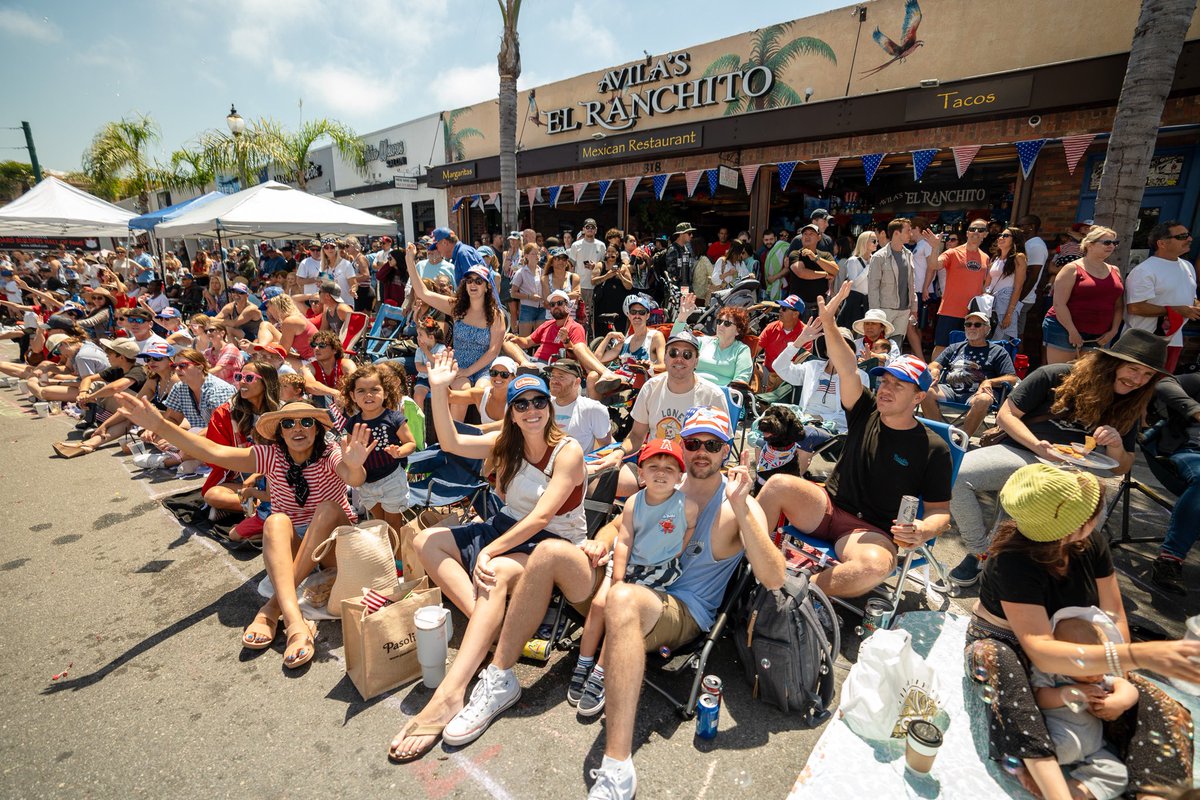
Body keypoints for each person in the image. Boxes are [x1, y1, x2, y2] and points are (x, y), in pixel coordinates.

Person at [403, 406, 784, 799]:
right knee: (550, 552)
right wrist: (598, 545)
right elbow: (618, 527)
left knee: (620, 598)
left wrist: (742, 505)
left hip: (678, 610)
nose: (702, 451)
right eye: (694, 442)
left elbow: (774, 578)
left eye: (713, 444)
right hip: (625, 583)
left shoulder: (738, 504)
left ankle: (618, 766)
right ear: (681, 446)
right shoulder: (666, 481)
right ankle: (500, 679)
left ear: (727, 451)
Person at [387, 357, 586, 762]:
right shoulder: (506, 444)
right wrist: (439, 389)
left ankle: (450, 693)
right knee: (427, 542)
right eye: (522, 404)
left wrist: (492, 549)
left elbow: (544, 516)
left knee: (492, 573)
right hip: (507, 525)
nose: (532, 410)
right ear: (511, 412)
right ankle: (488, 622)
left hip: (549, 540)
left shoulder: (568, 451)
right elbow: (451, 443)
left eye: (538, 402)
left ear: (549, 406)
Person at [964, 464, 1198, 800]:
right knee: (996, 662)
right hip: (1011, 646)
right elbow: (1040, 650)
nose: (1100, 511)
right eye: (1092, 507)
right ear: (1070, 526)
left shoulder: (1092, 544)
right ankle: (1057, 791)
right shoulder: (1011, 563)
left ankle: (1157, 793)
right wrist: (1140, 655)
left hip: (1080, 646)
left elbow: (1115, 613)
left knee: (1162, 705)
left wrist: (1122, 679)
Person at [118, 393, 373, 668]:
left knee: (327, 509)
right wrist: (161, 426)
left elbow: (352, 477)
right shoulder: (270, 455)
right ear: (280, 433)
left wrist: (356, 466)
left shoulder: (330, 453)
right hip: (300, 547)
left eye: (306, 422)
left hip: (334, 548)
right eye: (288, 424)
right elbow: (213, 452)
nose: (297, 428)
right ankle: (295, 623)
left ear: (317, 428)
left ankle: (272, 609)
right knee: (275, 521)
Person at [758, 282, 952, 599]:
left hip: (870, 530)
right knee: (777, 484)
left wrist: (924, 529)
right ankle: (750, 567)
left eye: (898, 386)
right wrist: (830, 322)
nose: (886, 390)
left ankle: (793, 594)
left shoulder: (933, 447)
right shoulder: (865, 411)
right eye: (885, 381)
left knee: (875, 567)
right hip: (828, 506)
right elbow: (848, 368)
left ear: (918, 396)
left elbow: (940, 511)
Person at [948, 328, 1167, 586]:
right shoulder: (1054, 375)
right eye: (1133, 369)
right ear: (1112, 363)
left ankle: (1051, 574)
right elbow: (1005, 416)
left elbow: (1121, 467)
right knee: (955, 475)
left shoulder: (1131, 402)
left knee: (1093, 514)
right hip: (1023, 451)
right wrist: (1037, 445)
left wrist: (1117, 445)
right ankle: (980, 552)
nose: (1138, 379)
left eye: (1147, 374)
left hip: (1076, 469)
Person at [591, 330, 726, 494]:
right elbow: (636, 436)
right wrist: (618, 453)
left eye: (687, 354)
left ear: (696, 361)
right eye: (674, 352)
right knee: (592, 477)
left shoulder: (712, 395)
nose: (679, 358)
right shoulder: (651, 387)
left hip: (692, 470)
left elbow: (719, 449)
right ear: (666, 357)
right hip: (653, 466)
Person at [1031, 613, 1135, 800]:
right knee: (1040, 752)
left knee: (1119, 774)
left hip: (1093, 748)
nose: (1097, 674)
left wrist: (1118, 701)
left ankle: (1079, 788)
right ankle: (1037, 774)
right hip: (1061, 739)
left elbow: (1127, 687)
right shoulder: (1054, 673)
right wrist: (1071, 692)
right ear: (1063, 659)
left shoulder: (1100, 680)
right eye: (1088, 668)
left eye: (1101, 663)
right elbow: (1040, 697)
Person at [196, 361, 281, 530]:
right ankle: (258, 510)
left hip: (278, 477)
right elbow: (217, 455)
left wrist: (260, 474)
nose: (241, 382)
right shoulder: (226, 413)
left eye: (249, 378)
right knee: (213, 495)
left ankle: (248, 509)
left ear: (266, 383)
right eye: (238, 377)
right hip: (242, 478)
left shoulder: (281, 411)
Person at [770, 318, 871, 459]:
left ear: (849, 351)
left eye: (841, 345)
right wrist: (799, 341)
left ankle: (794, 477)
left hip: (833, 429)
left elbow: (854, 415)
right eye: (832, 344)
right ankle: (763, 478)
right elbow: (779, 367)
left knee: (805, 434)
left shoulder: (859, 377)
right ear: (825, 349)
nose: (836, 348)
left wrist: (819, 418)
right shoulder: (812, 367)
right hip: (802, 421)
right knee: (767, 426)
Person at [341, 363, 415, 533]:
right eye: (361, 391)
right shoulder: (353, 423)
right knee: (380, 524)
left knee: (394, 525)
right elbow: (352, 452)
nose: (368, 394)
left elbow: (411, 443)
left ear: (386, 392)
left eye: (375, 389)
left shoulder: (394, 417)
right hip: (367, 483)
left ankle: (398, 559)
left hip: (392, 478)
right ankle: (385, 555)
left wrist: (399, 452)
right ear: (352, 396)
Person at [920, 309, 1017, 436]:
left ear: (987, 330)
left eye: (977, 324)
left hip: (977, 394)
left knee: (983, 399)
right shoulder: (955, 347)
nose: (972, 327)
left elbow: (1012, 378)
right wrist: (935, 370)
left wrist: (989, 381)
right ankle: (938, 435)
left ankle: (962, 441)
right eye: (968, 324)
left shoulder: (998, 351)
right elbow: (934, 364)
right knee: (925, 391)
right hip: (950, 389)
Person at [1147, 373, 1200, 596]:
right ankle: (1169, 559)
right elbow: (1165, 383)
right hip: (1189, 451)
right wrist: (1196, 410)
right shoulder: (1196, 381)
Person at [1043, 226, 1125, 364]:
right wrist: (1072, 331)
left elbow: (1118, 305)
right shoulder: (1072, 268)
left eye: (1114, 243)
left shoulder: (1115, 270)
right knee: (1060, 375)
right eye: (1107, 242)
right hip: (1064, 328)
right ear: (1090, 244)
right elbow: (1059, 304)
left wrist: (1114, 330)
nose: (1111, 246)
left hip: (1098, 333)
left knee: (1084, 378)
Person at [1124, 221, 1197, 373]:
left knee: (1159, 388)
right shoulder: (1144, 270)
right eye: (1182, 236)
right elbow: (1135, 307)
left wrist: (1195, 306)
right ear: (1162, 243)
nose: (1189, 239)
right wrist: (1176, 310)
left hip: (1173, 340)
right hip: (1143, 341)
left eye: (1188, 235)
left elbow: (1190, 297)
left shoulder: (1187, 266)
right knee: (1135, 387)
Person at [928, 218, 990, 358]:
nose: (976, 232)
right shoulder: (953, 252)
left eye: (980, 230)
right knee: (942, 346)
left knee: (968, 347)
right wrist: (934, 247)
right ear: (967, 233)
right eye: (973, 229)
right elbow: (934, 265)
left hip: (972, 312)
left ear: (985, 234)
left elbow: (984, 285)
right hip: (950, 309)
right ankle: (934, 377)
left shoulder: (986, 258)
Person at [590, 294, 666, 396]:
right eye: (633, 312)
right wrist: (608, 336)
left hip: (638, 381)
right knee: (592, 376)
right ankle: (597, 407)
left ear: (647, 315)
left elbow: (664, 365)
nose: (637, 316)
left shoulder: (655, 336)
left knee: (608, 376)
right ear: (629, 315)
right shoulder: (626, 341)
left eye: (642, 312)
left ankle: (607, 380)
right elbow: (597, 360)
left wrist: (650, 366)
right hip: (619, 377)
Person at [866, 218, 918, 342]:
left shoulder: (909, 254)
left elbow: (911, 284)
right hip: (885, 310)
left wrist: (914, 308)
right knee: (880, 344)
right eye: (907, 231)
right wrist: (875, 314)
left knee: (897, 344)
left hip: (904, 310)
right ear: (896, 233)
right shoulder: (879, 257)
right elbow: (873, 286)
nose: (910, 234)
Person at [162, 348, 237, 432]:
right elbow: (173, 419)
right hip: (200, 437)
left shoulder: (219, 389)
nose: (177, 369)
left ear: (200, 368)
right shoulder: (179, 388)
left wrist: (186, 439)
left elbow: (219, 426)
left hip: (224, 438)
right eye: (174, 366)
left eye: (182, 365)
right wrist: (158, 431)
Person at [546, 358, 612, 452]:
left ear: (577, 382)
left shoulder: (592, 409)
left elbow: (606, 446)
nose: (554, 381)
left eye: (561, 377)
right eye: (552, 376)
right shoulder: (542, 405)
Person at [507, 289, 587, 365]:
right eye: (552, 304)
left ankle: (524, 365)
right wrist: (515, 338)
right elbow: (527, 342)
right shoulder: (547, 324)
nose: (556, 306)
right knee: (506, 341)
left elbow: (578, 356)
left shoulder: (575, 327)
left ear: (567, 305)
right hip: (533, 361)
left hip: (552, 367)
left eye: (559, 303)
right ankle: (524, 363)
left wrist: (566, 341)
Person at [445, 355, 515, 428]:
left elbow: (504, 426)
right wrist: (442, 381)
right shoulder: (481, 395)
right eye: (494, 373)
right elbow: (450, 396)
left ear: (513, 377)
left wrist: (472, 429)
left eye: (504, 374)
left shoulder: (517, 400)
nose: (498, 377)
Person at [986, 225, 1028, 341]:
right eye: (1000, 235)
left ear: (1015, 239)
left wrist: (1009, 314)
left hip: (1006, 301)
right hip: (990, 301)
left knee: (1000, 341)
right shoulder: (995, 258)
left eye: (1006, 236)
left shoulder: (1019, 257)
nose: (1001, 238)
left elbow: (1018, 287)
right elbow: (987, 283)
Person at [784, 224, 838, 311]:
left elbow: (835, 270)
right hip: (798, 308)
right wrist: (825, 274)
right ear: (801, 238)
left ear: (819, 237)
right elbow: (801, 273)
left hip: (819, 307)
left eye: (811, 233)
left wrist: (815, 258)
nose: (807, 236)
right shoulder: (795, 254)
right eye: (805, 234)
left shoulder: (825, 255)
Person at [695, 306, 753, 387]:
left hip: (721, 394)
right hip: (692, 388)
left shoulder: (741, 350)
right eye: (719, 321)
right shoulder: (703, 341)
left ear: (738, 331)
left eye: (727, 323)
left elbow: (741, 380)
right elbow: (675, 345)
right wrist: (682, 318)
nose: (721, 325)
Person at [757, 294, 805, 386]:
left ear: (796, 314)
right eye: (781, 307)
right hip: (766, 375)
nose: (780, 310)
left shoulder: (805, 333)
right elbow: (754, 352)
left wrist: (781, 378)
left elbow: (802, 363)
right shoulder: (771, 327)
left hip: (789, 381)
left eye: (784, 308)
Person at [1015, 214, 1050, 340]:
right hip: (1017, 297)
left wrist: (1018, 300)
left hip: (1023, 299)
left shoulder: (1036, 246)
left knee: (1016, 336)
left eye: (1020, 226)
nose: (1017, 228)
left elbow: (1033, 276)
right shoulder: (1028, 244)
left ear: (1031, 227)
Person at [834, 231, 876, 330]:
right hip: (854, 301)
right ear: (865, 242)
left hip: (868, 301)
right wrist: (869, 267)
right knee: (849, 332)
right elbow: (855, 283)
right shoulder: (853, 260)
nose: (876, 243)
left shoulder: (875, 259)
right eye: (874, 241)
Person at [570, 218, 606, 326]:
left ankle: (591, 340)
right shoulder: (576, 245)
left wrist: (595, 266)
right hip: (580, 286)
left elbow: (604, 266)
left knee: (593, 317)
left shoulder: (601, 245)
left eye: (592, 227)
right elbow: (571, 266)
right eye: (587, 227)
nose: (590, 229)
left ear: (596, 230)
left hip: (596, 286)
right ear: (583, 230)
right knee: (579, 316)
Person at [306, 330, 355, 407]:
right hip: (324, 404)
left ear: (335, 349)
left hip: (345, 403)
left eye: (322, 345)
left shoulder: (346, 364)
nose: (316, 348)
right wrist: (335, 393)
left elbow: (355, 383)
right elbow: (310, 385)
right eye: (314, 345)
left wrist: (340, 396)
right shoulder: (309, 367)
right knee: (318, 394)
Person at [264, 293, 318, 361]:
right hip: (311, 357)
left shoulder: (289, 322)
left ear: (276, 309)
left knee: (272, 359)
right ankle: (261, 346)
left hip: (314, 360)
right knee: (266, 325)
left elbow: (282, 352)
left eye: (268, 308)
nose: (268, 312)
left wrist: (265, 350)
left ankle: (260, 347)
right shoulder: (296, 316)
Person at [591, 243, 633, 326]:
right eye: (608, 251)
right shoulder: (600, 265)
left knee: (618, 326)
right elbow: (593, 281)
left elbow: (629, 286)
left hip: (618, 303)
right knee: (601, 327)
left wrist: (621, 277)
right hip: (602, 302)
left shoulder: (623, 267)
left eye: (613, 251)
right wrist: (607, 276)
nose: (610, 254)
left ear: (617, 253)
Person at [509, 242, 543, 336]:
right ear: (526, 256)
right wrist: (529, 297)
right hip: (527, 308)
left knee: (540, 340)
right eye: (533, 253)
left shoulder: (542, 271)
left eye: (538, 253)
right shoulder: (521, 272)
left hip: (542, 308)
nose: (537, 256)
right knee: (524, 340)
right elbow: (513, 293)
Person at [412, 317, 446, 408]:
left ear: (431, 337)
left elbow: (437, 361)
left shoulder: (441, 348)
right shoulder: (419, 350)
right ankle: (419, 421)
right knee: (418, 395)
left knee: (441, 398)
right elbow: (418, 367)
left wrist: (426, 351)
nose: (417, 337)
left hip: (439, 379)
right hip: (423, 379)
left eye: (420, 335)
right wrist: (433, 369)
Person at [539, 248, 581, 321]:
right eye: (557, 258)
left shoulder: (574, 277)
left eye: (564, 259)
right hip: (551, 319)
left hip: (571, 319)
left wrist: (555, 299)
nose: (561, 261)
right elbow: (547, 302)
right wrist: (569, 296)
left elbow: (576, 300)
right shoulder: (545, 279)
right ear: (551, 262)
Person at [664, 223, 696, 300]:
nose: (691, 236)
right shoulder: (673, 249)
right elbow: (672, 273)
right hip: (677, 290)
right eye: (689, 233)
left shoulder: (685, 249)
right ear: (681, 234)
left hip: (686, 287)